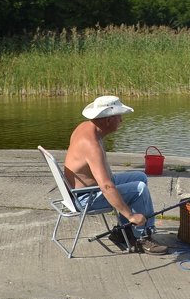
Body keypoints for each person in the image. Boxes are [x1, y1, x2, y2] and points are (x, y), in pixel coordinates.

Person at [63, 95, 169, 255]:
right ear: (108, 120)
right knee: (139, 189)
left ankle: (124, 231)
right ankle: (143, 236)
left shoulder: (85, 127)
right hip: (86, 198)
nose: (122, 120)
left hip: (85, 190)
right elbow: (106, 186)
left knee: (141, 177)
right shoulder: (91, 145)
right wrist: (131, 215)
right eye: (119, 117)